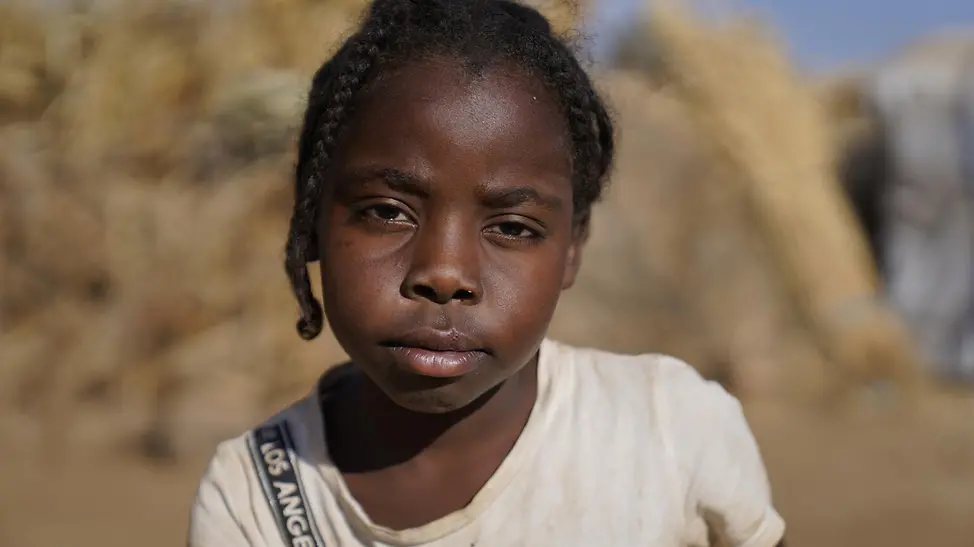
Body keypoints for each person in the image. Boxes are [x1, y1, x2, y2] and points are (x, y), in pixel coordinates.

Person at [187, 0, 787, 545]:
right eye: (387, 212)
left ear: (572, 248)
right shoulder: (253, 500)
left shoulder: (671, 434)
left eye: (514, 227)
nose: (445, 273)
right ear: (312, 221)